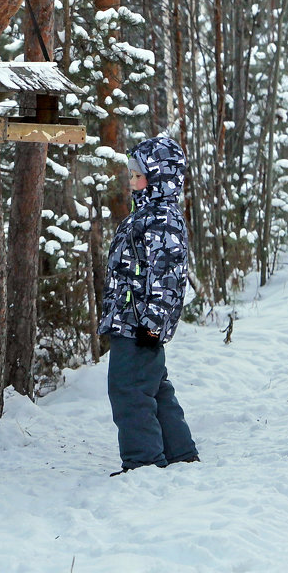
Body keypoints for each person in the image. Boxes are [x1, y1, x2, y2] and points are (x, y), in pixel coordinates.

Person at [98, 137, 199, 475]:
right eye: (130, 174)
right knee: (154, 388)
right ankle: (179, 453)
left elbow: (167, 276)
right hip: (131, 317)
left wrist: (153, 323)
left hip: (139, 320)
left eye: (138, 175)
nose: (131, 181)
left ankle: (143, 463)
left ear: (158, 177)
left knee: (129, 389)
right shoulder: (147, 214)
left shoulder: (161, 218)